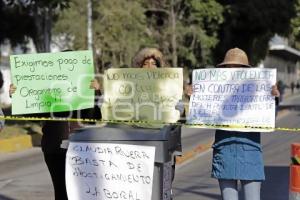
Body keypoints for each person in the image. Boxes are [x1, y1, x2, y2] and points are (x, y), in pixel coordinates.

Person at [9, 80, 100, 200]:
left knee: (85, 191)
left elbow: (95, 116)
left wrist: (95, 92)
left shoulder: (81, 88)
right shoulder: (47, 94)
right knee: (62, 191)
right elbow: (31, 114)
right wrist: (18, 96)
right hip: (55, 149)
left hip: (83, 149)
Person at [210, 48, 280, 200]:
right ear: (224, 69)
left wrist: (272, 99)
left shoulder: (257, 89)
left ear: (245, 70)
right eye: (229, 67)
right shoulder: (215, 90)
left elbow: (269, 119)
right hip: (225, 153)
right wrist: (194, 97)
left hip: (250, 153)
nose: (233, 70)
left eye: (238, 67)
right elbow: (203, 113)